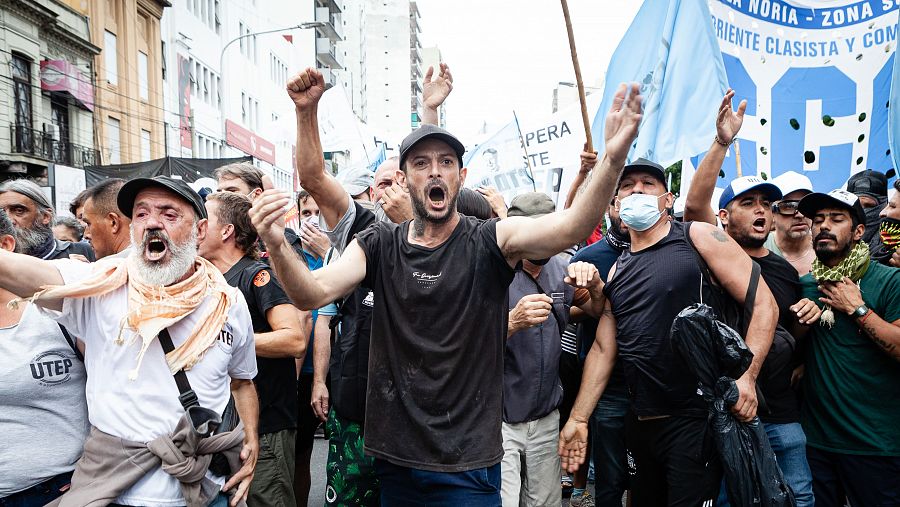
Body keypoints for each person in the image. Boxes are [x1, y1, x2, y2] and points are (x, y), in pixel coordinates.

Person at [251, 71, 642, 504]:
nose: (434, 171)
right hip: (396, 461)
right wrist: (274, 239)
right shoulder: (378, 244)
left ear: (460, 176)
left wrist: (612, 159)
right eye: (421, 163)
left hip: (468, 466)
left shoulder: (489, 240)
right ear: (404, 178)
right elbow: (310, 293)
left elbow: (572, 227)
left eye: (446, 163)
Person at [0, 176, 259, 506]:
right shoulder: (98, 287)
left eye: (169, 214)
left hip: (206, 489)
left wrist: (251, 437)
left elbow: (242, 381)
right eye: (141, 214)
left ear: (200, 230)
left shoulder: (229, 302)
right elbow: (18, 270)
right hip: (118, 494)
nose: (152, 222)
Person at [559, 148, 779, 507]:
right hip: (641, 420)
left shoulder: (699, 237)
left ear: (667, 198)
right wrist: (579, 418)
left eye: (648, 184)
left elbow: (764, 304)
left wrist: (747, 378)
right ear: (615, 203)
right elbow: (603, 348)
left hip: (695, 419)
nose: (637, 191)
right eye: (627, 186)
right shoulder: (618, 269)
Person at [289, 64, 452, 506]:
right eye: (380, 182)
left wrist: (430, 110)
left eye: (400, 178)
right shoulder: (365, 233)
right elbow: (315, 180)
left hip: (420, 422)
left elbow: (435, 178)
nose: (390, 189)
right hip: (358, 410)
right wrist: (307, 112)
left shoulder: (457, 240)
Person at [685, 91, 823, 505]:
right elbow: (694, 206)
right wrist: (723, 143)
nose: (761, 210)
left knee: (798, 495)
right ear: (724, 217)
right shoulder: (712, 252)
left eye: (767, 203)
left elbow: (789, 333)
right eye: (747, 204)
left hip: (780, 410)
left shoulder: (784, 270)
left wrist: (809, 313)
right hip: (727, 409)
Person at [198, 191, 307, 507]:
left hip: (268, 425)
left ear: (227, 231)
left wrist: (224, 342)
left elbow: (294, 339)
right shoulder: (209, 279)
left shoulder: (255, 275)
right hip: (226, 426)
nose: (197, 227)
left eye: (205, 221)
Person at [795, 189, 900, 507]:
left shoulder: (890, 281)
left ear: (857, 231)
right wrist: (800, 325)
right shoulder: (805, 286)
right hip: (816, 445)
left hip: (876, 445)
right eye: (819, 220)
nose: (824, 225)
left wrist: (859, 310)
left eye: (837, 219)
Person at [500, 192, 605, 507]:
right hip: (499, 420)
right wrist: (511, 323)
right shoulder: (491, 272)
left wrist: (597, 287)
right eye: (533, 230)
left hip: (546, 418)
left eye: (548, 228)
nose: (541, 238)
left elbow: (596, 311)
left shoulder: (563, 267)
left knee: (545, 503)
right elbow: (460, 340)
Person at [564, 160, 649, 507]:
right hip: (608, 385)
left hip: (652, 389)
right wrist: (594, 299)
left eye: (646, 190)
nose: (635, 200)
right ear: (613, 205)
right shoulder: (589, 256)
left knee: (647, 477)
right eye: (626, 194)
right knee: (611, 479)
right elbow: (564, 310)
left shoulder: (667, 252)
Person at [0, 209, 89, 506]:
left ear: (6, 246)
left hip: (54, 491)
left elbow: (119, 394)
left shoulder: (58, 309)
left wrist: (96, 475)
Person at [292, 191, 339, 507]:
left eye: (318, 213)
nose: (311, 220)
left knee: (341, 454)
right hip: (297, 373)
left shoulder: (344, 253)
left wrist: (328, 253)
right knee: (299, 452)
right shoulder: (290, 257)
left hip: (337, 372)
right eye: (305, 212)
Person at [0, 178, 94, 261]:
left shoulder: (84, 252)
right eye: (2, 212)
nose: (9, 220)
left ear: (45, 216)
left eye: (19, 211)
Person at [765, 171, 816, 276]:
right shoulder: (758, 249)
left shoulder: (827, 249)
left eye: (806, 206)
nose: (800, 215)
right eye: (789, 206)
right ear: (772, 212)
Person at [80, 178, 132, 259]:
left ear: (113, 222)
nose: (86, 235)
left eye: (88, 224)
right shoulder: (152, 256)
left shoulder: (113, 267)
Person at [846, 169, 888, 243]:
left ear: (884, 206)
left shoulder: (893, 243)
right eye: (856, 205)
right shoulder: (834, 240)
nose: (862, 211)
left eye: (869, 206)